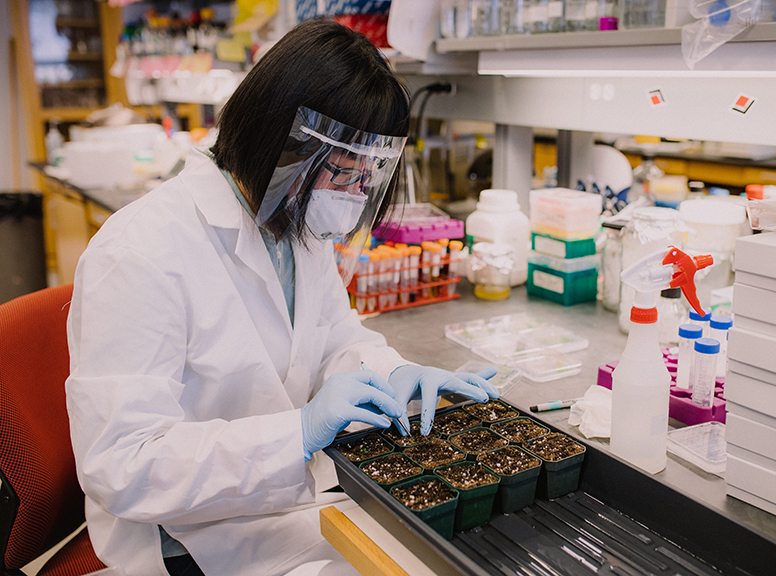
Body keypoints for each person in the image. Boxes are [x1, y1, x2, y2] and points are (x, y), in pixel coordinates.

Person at [66, 20, 498, 576]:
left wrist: (393, 373)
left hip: (283, 504)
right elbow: (121, 464)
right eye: (344, 167)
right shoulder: (140, 252)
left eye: (370, 171)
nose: (355, 191)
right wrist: (293, 434)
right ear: (281, 140)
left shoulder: (292, 223)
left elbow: (335, 338)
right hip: (190, 537)